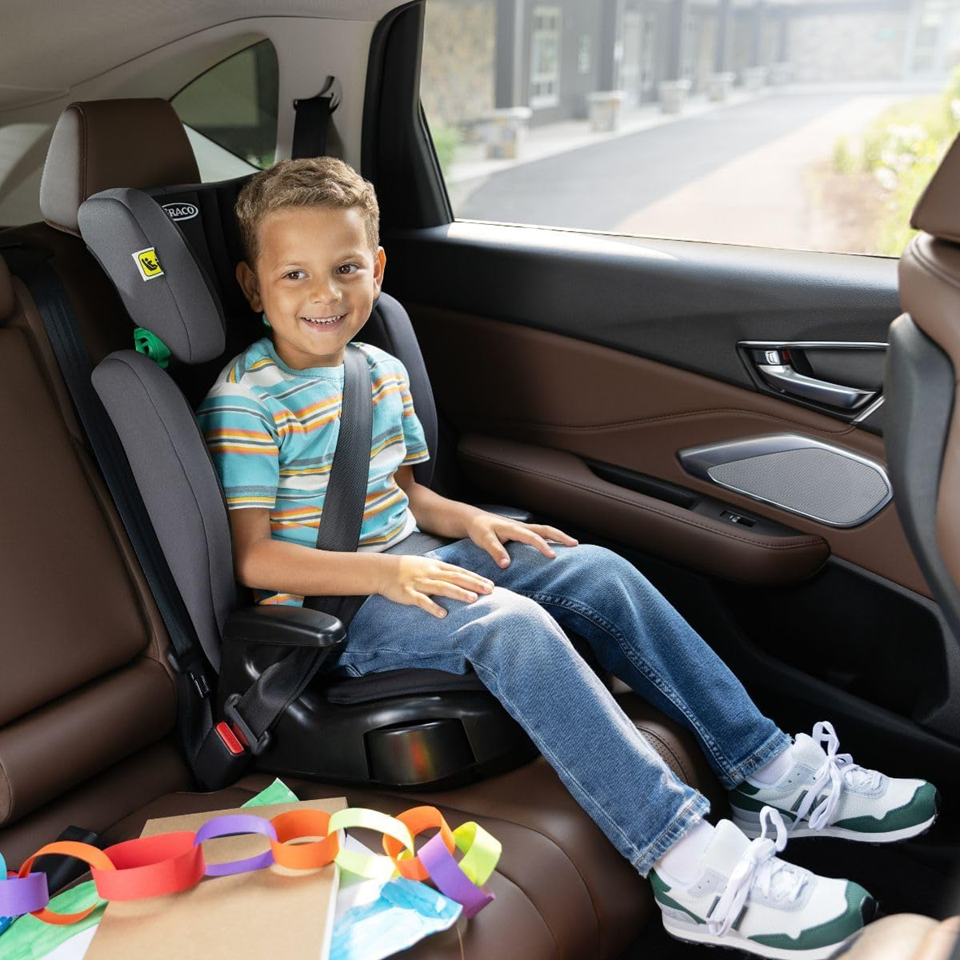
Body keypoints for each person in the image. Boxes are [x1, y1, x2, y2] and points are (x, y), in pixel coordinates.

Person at [196, 157, 938, 959]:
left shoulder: (376, 371)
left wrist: (475, 521)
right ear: (253, 286)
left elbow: (407, 495)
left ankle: (767, 768)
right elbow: (257, 560)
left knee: (594, 569)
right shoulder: (245, 400)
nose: (326, 294)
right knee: (508, 625)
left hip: (414, 562)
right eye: (296, 274)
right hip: (338, 614)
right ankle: (686, 865)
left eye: (346, 269)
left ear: (376, 267)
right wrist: (389, 573)